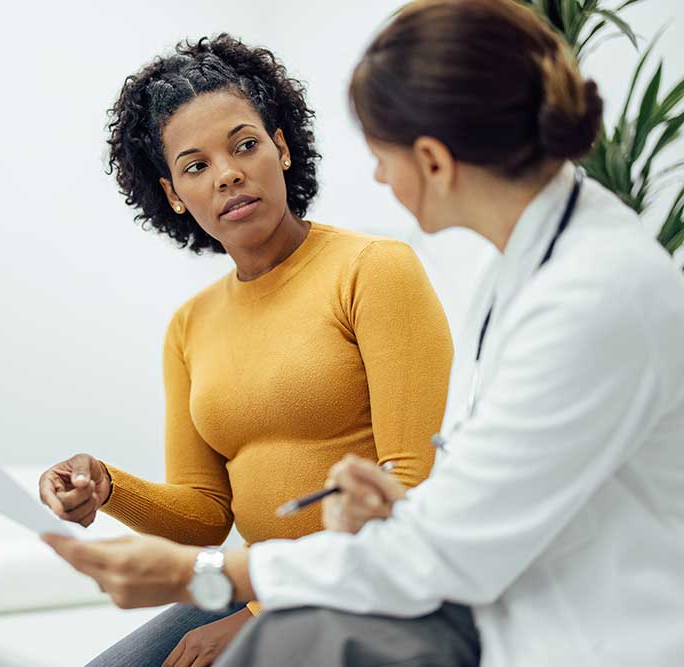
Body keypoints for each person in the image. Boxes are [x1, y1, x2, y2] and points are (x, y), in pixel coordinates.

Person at [42, 2, 684, 666]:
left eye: (381, 155)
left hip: (574, 627)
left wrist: (220, 581)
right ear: (172, 189)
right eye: (195, 165)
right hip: (415, 579)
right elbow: (461, 486)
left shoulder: (589, 294)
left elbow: (447, 541)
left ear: (432, 161)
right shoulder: (524, 265)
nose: (377, 177)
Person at [36, 34, 459, 667]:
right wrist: (106, 485)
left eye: (244, 144)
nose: (228, 172)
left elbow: (407, 484)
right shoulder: (190, 325)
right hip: (258, 583)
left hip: (366, 589)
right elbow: (206, 515)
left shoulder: (375, 270)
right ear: (174, 193)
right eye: (195, 165)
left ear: (281, 148)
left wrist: (261, 618)